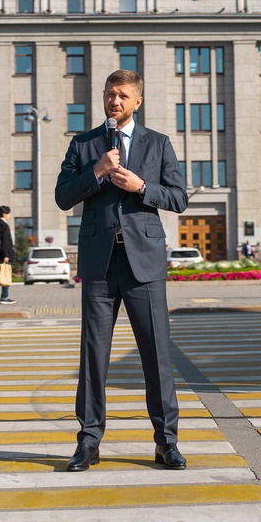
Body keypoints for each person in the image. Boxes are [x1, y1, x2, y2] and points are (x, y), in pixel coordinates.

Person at [55, 69, 188, 473]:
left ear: (137, 102)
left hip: (143, 262)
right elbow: (63, 196)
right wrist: (96, 171)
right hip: (99, 264)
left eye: (122, 96)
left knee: (156, 355)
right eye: (109, 94)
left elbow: (179, 198)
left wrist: (141, 187)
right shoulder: (84, 144)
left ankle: (166, 442)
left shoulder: (158, 143)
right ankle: (88, 442)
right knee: (93, 356)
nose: (114, 101)